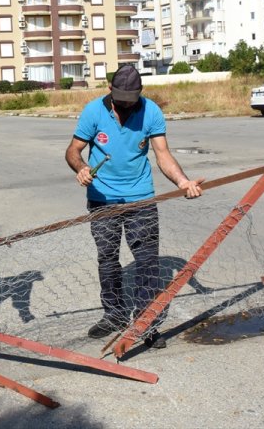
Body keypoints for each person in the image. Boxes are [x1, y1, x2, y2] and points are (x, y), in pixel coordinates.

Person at [64, 65, 203, 348]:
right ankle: (114, 315)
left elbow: (162, 155)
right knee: (108, 259)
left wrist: (183, 182)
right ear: (110, 91)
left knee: (148, 262)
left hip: (142, 199)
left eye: (130, 100)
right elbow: (73, 151)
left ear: (139, 94)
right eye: (119, 100)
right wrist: (80, 168)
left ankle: (145, 320)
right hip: (102, 199)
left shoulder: (150, 111)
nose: (124, 106)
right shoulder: (93, 111)